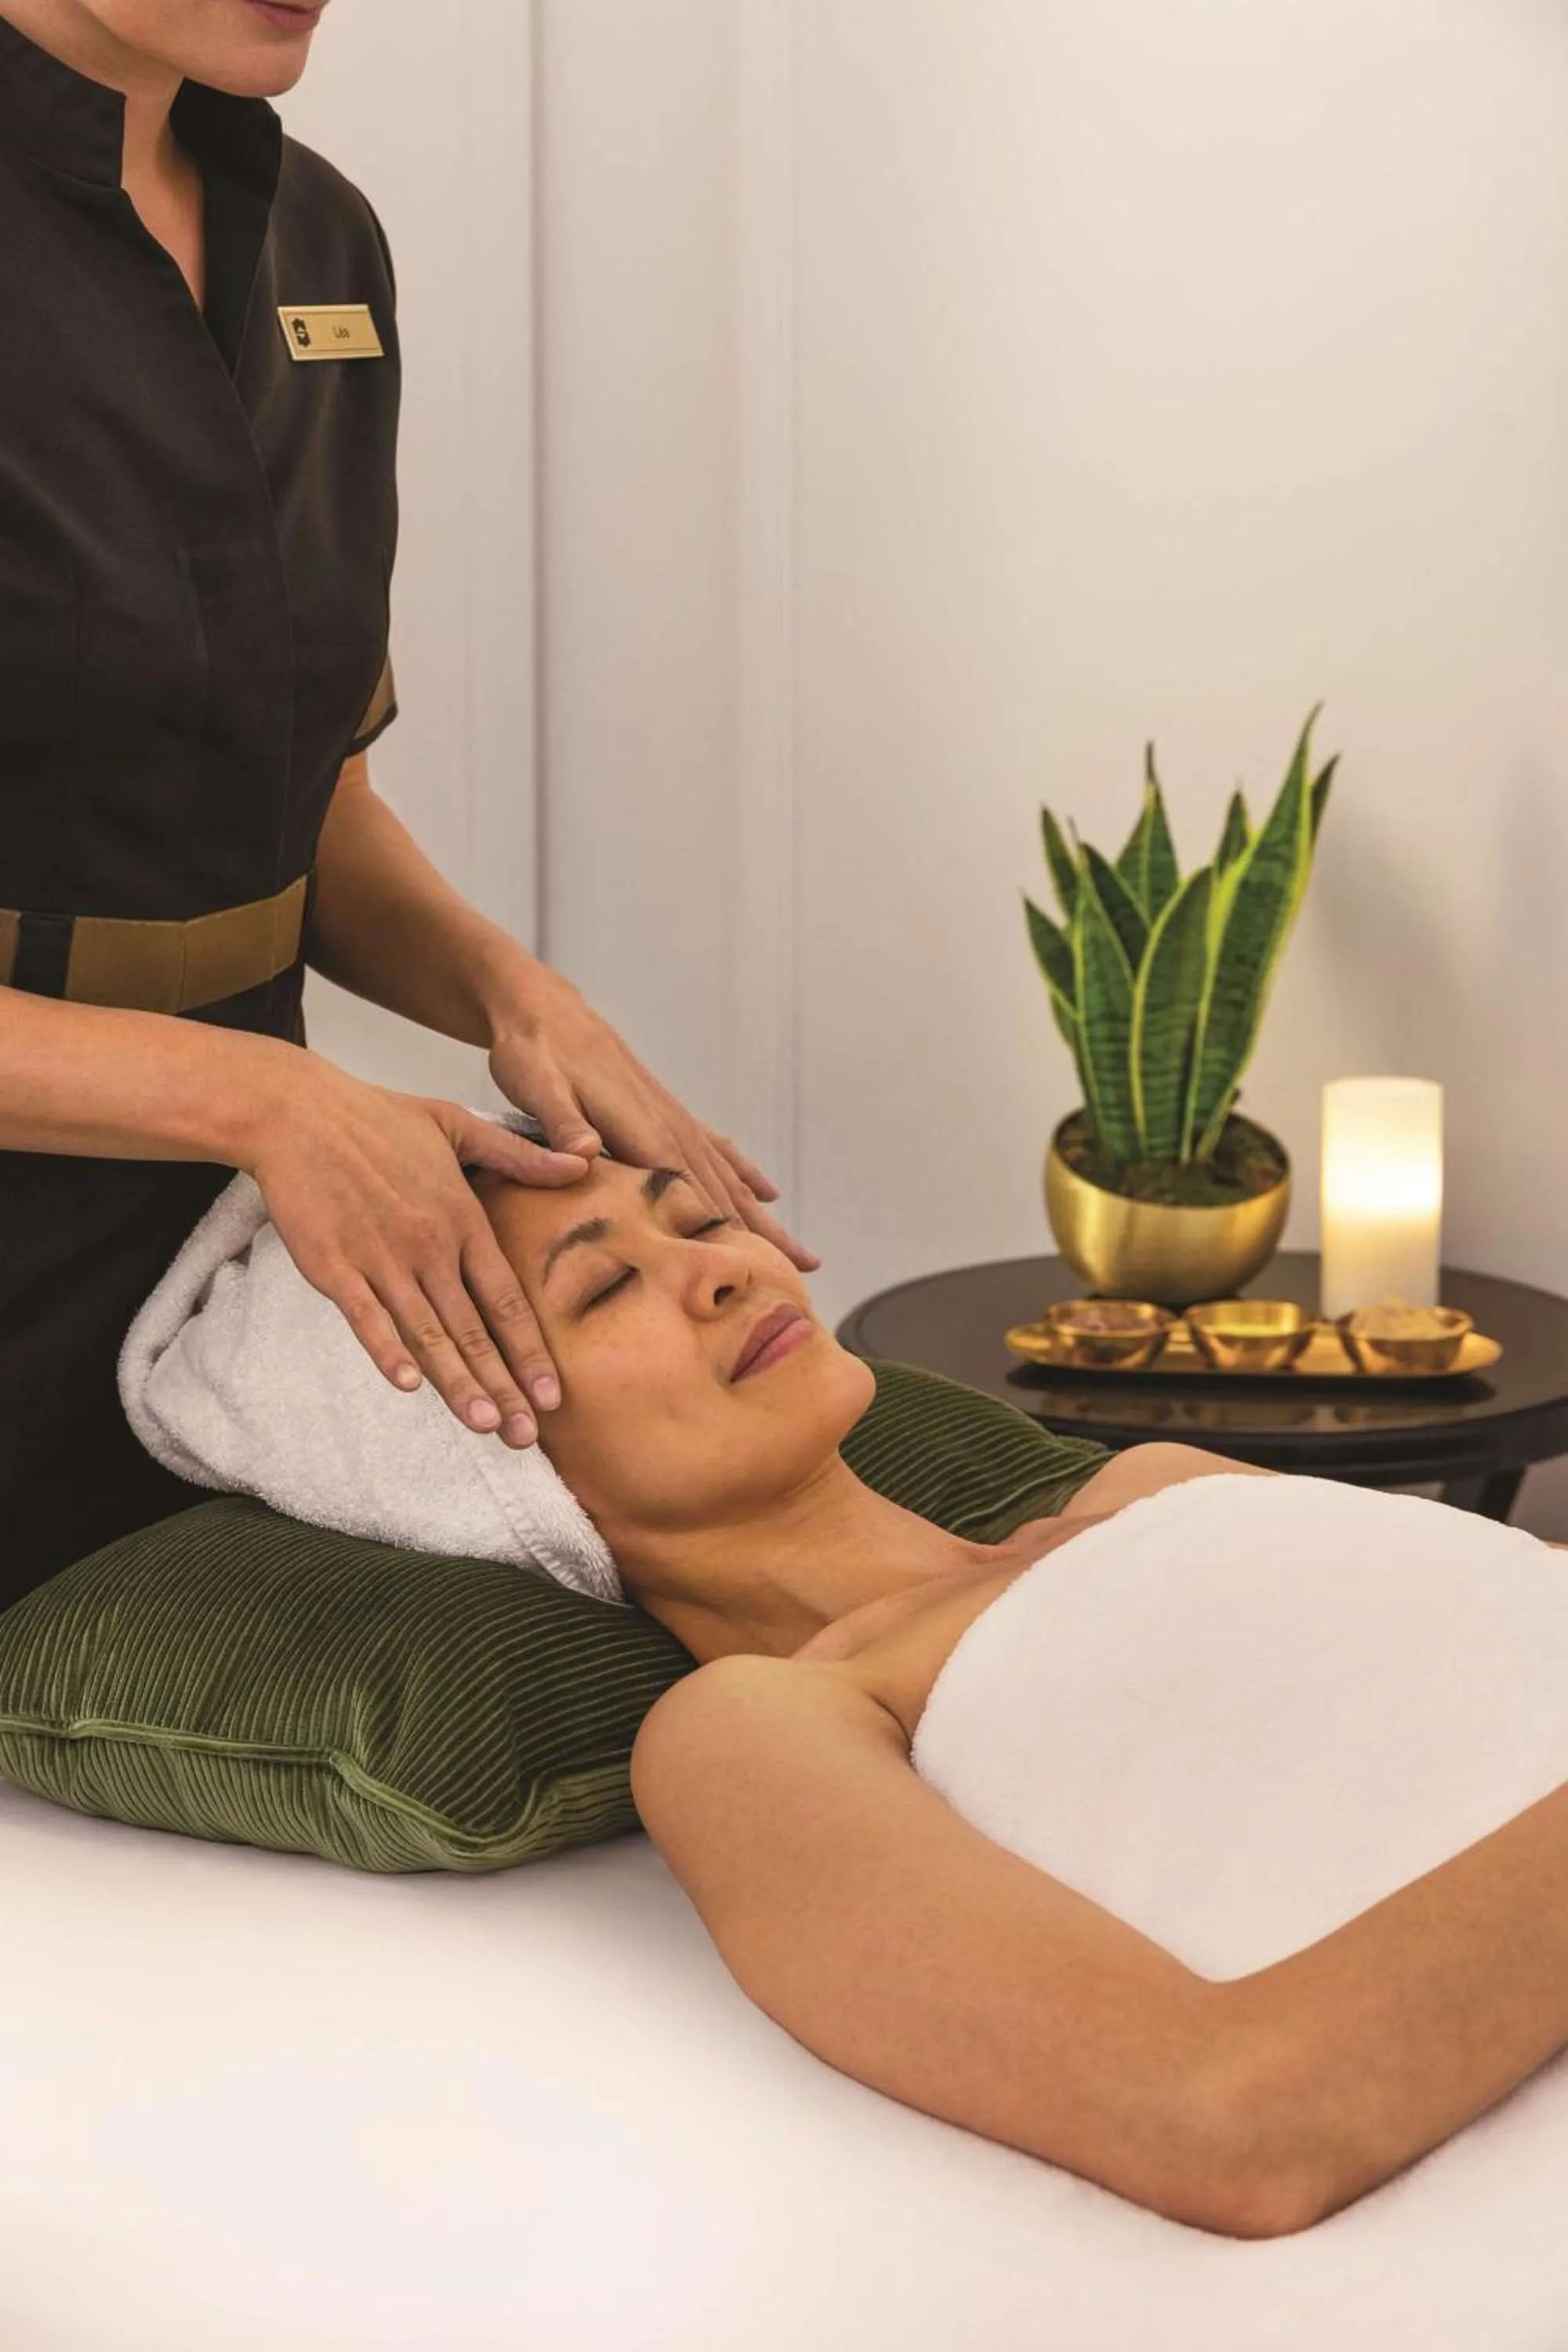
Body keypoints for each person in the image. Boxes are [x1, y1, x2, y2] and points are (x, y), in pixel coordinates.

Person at [0, 0, 811, 1606]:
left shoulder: (317, 239)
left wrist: (505, 990)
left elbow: (298, 800)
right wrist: (269, 1103)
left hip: (231, 1272)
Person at [466, 1155, 1568, 2242]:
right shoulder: (758, 1725)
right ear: (491, 1459)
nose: (722, 1273)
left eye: (703, 1223)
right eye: (603, 1287)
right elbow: (1228, 2125)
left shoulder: (1161, 1478)